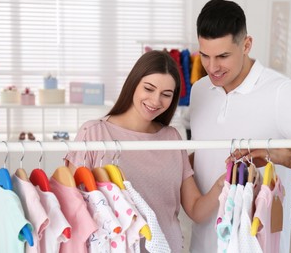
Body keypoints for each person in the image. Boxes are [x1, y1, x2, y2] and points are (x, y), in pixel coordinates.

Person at [188, 0, 291, 253]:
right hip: (203, 243)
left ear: (247, 44)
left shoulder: (283, 92)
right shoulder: (199, 90)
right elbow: (205, 153)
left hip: (259, 245)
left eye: (223, 56)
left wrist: (280, 155)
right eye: (205, 55)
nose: (212, 67)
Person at [66, 50, 225, 253]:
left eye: (166, 94)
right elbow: (72, 209)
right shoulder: (94, 133)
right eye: (149, 89)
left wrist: (222, 184)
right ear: (134, 84)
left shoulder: (171, 139)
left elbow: (195, 209)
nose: (156, 101)